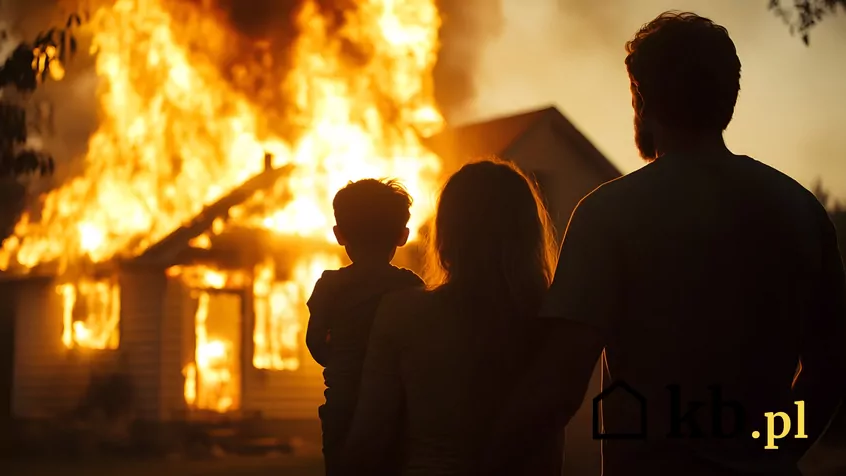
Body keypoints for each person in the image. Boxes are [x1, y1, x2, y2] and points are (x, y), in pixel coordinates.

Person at [480, 11, 846, 476]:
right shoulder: (799, 211)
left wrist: (485, 458)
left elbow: (560, 383)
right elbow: (830, 368)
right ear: (730, 99)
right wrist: (771, 450)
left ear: (642, 99)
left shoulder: (609, 214)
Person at [341, 159, 562, 475]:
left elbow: (369, 438)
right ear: (529, 234)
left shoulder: (403, 314)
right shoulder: (552, 323)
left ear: (447, 233)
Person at [306, 178, 424, 476]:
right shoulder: (409, 286)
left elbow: (315, 344)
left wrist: (341, 355)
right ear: (402, 235)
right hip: (400, 407)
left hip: (344, 404)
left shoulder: (330, 286)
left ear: (339, 234)